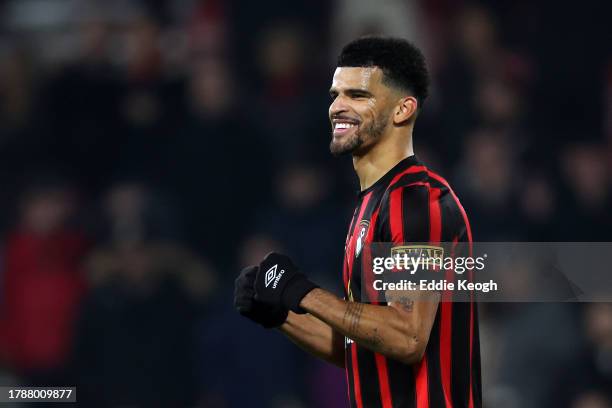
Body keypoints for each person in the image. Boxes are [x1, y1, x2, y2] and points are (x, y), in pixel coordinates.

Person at [235, 36, 481, 408]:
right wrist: (279, 314)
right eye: (336, 95)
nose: (338, 107)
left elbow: (407, 337)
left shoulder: (415, 200)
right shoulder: (371, 206)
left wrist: (303, 292)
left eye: (358, 96)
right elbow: (360, 347)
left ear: (403, 110)